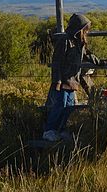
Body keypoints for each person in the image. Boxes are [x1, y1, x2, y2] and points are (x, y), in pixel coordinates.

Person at [42, 13, 100, 141]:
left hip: (73, 81)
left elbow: (87, 55)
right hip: (63, 80)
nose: (86, 32)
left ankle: (61, 130)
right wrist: (57, 81)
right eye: (85, 29)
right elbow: (57, 62)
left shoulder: (78, 43)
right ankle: (49, 130)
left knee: (69, 108)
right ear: (79, 29)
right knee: (59, 106)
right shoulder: (65, 41)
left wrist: (99, 61)